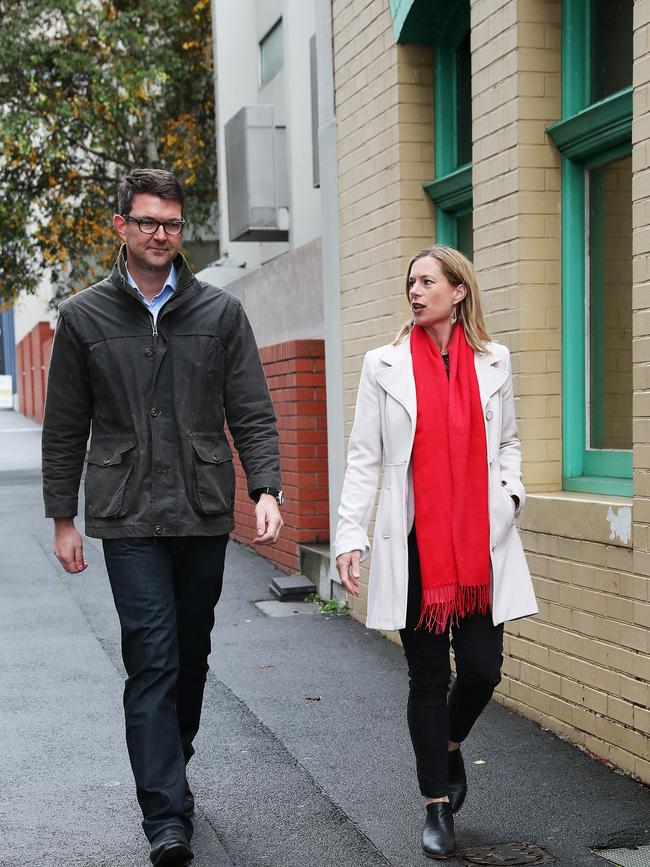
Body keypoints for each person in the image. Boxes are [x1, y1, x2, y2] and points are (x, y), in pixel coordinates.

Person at [42, 168, 284, 867]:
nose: (160, 234)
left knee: (191, 655)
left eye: (172, 224)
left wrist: (266, 487)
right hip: (127, 517)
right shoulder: (85, 317)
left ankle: (168, 765)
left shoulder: (219, 314)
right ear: (121, 227)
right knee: (150, 658)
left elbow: (252, 409)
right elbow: (64, 426)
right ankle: (164, 815)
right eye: (148, 221)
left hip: (204, 509)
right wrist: (63, 517)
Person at [334, 245, 537, 860]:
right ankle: (436, 807)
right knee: (428, 677)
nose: (416, 292)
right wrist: (351, 535)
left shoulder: (494, 362)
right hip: (416, 547)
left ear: (459, 291)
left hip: (480, 545)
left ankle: (447, 747)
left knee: (481, 670)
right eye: (411, 283)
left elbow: (509, 444)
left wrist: (510, 499)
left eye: (428, 281)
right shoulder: (384, 364)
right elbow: (365, 457)